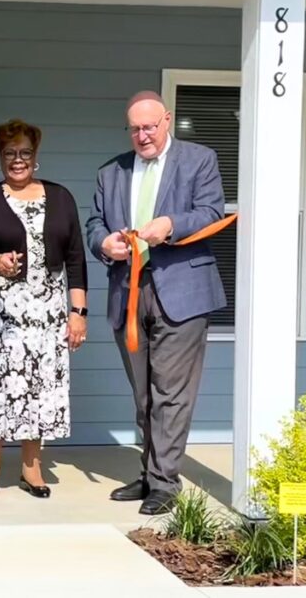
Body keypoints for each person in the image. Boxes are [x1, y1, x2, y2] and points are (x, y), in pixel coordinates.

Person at [86, 90, 226, 515]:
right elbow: (94, 223)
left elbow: (212, 213)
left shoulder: (199, 160)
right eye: (135, 128)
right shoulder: (111, 172)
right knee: (144, 394)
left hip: (181, 292)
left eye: (150, 126)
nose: (143, 135)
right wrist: (103, 243)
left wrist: (171, 225)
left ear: (167, 120)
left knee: (171, 392)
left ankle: (165, 481)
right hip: (127, 293)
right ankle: (151, 473)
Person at [0, 119, 88, 500]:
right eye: (9, 154)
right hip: (0, 313)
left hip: (48, 309)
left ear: (36, 157)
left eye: (25, 153)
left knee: (39, 384)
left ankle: (31, 467)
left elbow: (76, 258)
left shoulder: (61, 197)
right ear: (0, 158)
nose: (17, 160)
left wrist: (78, 312)